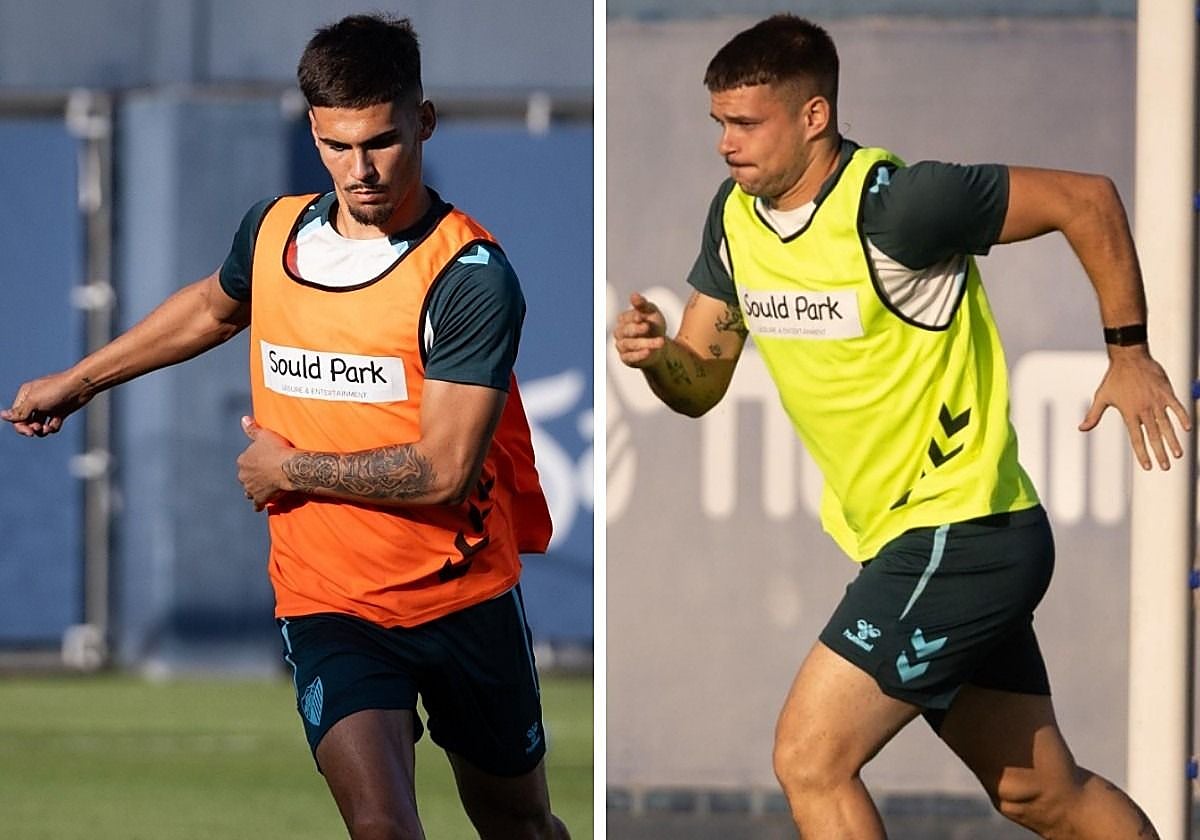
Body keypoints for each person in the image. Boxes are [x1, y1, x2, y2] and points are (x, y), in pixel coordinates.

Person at [613, 14, 1187, 840]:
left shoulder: (900, 206)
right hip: (908, 542)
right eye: (718, 125)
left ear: (814, 117)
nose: (726, 146)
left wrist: (1128, 353)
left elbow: (1084, 198)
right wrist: (657, 356)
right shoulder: (736, 219)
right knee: (1040, 795)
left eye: (746, 124)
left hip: (963, 531)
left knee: (810, 758)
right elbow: (701, 381)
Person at [4, 14, 570, 840]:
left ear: (425, 121)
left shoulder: (469, 276)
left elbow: (445, 470)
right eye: (338, 146)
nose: (361, 169)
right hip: (329, 601)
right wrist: (80, 381)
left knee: (518, 825)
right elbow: (209, 306)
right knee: (382, 827)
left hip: (460, 596)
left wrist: (292, 472)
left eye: (381, 141)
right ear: (313, 130)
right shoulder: (274, 232)